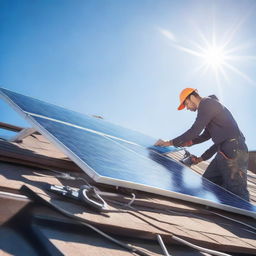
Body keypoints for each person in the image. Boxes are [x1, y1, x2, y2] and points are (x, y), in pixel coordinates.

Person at [155, 88, 249, 201]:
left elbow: (194, 131)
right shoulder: (209, 110)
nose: (187, 108)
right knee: (208, 182)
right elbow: (206, 135)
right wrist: (193, 145)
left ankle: (244, 216)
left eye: (186, 103)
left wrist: (169, 143)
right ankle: (224, 211)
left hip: (235, 150)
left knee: (237, 191)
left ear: (192, 97)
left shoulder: (206, 104)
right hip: (223, 151)